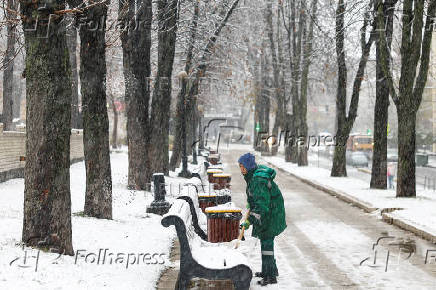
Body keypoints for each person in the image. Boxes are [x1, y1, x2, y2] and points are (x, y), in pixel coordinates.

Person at [238, 153, 287, 286]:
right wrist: (250, 203)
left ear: (249, 166)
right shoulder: (252, 177)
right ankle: (269, 270)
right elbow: (256, 197)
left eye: (243, 167)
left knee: (266, 244)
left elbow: (261, 206)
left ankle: (270, 276)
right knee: (265, 243)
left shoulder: (257, 180)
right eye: (240, 166)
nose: (241, 169)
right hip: (270, 212)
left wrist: (250, 220)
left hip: (272, 214)